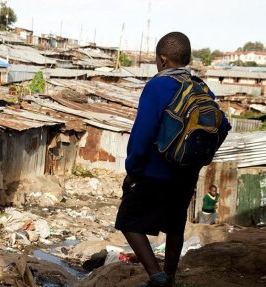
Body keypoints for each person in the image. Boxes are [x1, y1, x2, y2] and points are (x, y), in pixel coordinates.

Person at [114, 32, 231, 287]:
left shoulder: (157, 86)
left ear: (163, 59)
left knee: (128, 221)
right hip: (185, 175)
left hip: (155, 173)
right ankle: (171, 275)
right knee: (175, 225)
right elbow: (222, 126)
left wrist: (133, 169)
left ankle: (157, 277)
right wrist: (198, 160)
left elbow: (143, 132)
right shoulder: (201, 86)